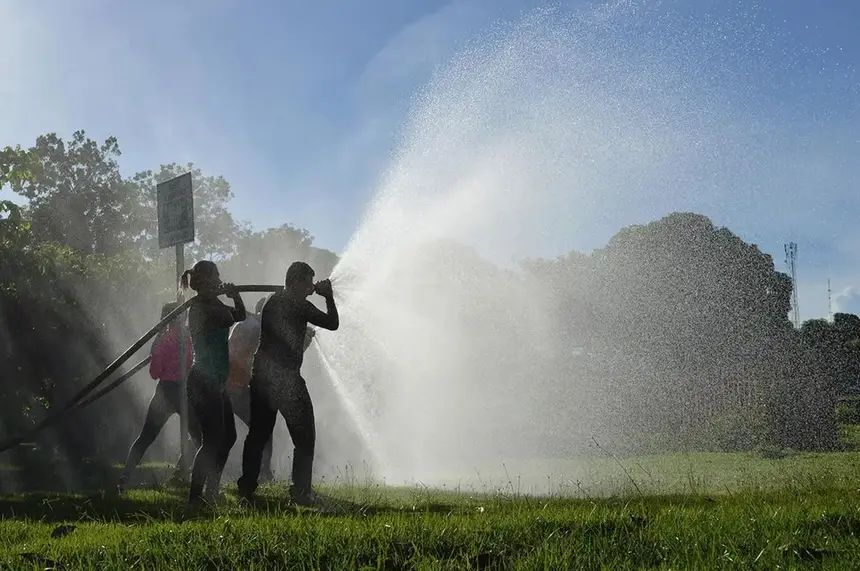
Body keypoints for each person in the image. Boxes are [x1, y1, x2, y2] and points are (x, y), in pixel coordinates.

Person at [237, 262, 338, 506]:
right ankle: (300, 491)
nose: (310, 288)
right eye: (308, 282)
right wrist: (328, 296)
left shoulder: (273, 300)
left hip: (262, 374)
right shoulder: (298, 303)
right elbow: (332, 323)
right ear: (296, 281)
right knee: (305, 435)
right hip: (286, 378)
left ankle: (247, 487)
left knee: (258, 434)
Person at [180, 260, 246, 506]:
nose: (220, 280)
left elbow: (239, 315)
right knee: (212, 441)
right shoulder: (201, 308)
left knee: (228, 437)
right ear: (207, 280)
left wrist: (235, 296)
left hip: (215, 381)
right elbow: (230, 318)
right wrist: (231, 295)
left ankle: (212, 490)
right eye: (216, 276)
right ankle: (195, 498)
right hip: (203, 381)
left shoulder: (212, 303)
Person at [117, 302, 201, 493]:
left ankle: (126, 477)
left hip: (164, 391)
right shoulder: (186, 338)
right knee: (199, 438)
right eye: (183, 313)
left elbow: (155, 373)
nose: (186, 317)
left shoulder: (162, 339)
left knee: (146, 437)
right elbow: (190, 364)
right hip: (179, 392)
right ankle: (196, 481)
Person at [227, 296, 274, 482]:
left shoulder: (246, 325)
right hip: (235, 387)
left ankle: (262, 473)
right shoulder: (255, 329)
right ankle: (263, 473)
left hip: (230, 385)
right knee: (262, 429)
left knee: (216, 433)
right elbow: (246, 359)